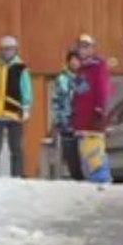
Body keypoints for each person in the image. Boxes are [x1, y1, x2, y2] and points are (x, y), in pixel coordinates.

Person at [0, 36, 33, 178]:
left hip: (14, 112)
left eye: (10, 49)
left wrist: (26, 106)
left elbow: (26, 88)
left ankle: (18, 177)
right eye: (4, 49)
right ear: (1, 50)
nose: (7, 52)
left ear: (16, 50)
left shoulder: (21, 68)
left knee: (16, 147)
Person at [51, 50, 86, 181]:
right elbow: (56, 100)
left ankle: (85, 175)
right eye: (72, 60)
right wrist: (59, 119)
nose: (74, 62)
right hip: (67, 121)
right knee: (71, 153)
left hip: (83, 122)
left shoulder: (84, 78)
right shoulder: (62, 79)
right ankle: (76, 177)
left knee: (84, 152)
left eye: (77, 60)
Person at [71, 34, 110, 133]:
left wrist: (99, 107)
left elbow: (102, 87)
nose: (83, 50)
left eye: (86, 47)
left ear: (92, 49)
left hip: (93, 117)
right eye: (80, 47)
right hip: (80, 119)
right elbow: (77, 92)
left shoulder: (98, 65)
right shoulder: (79, 68)